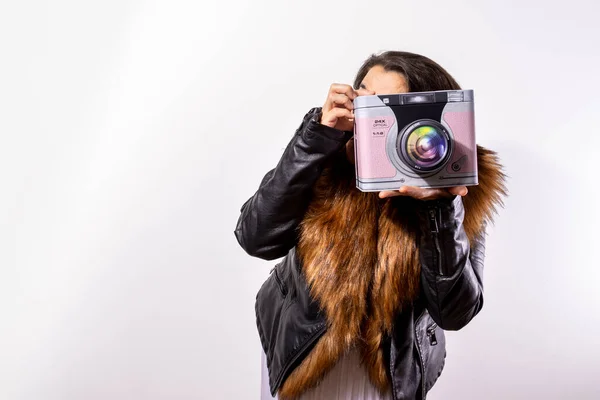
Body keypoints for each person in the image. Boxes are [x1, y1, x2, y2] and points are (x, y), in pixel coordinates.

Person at [234, 51, 507, 400]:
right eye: (366, 100)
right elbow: (257, 239)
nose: (372, 117)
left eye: (391, 107)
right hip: (298, 358)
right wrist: (316, 138)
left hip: (390, 375)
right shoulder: (326, 157)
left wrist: (439, 209)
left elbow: (455, 312)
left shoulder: (459, 184)